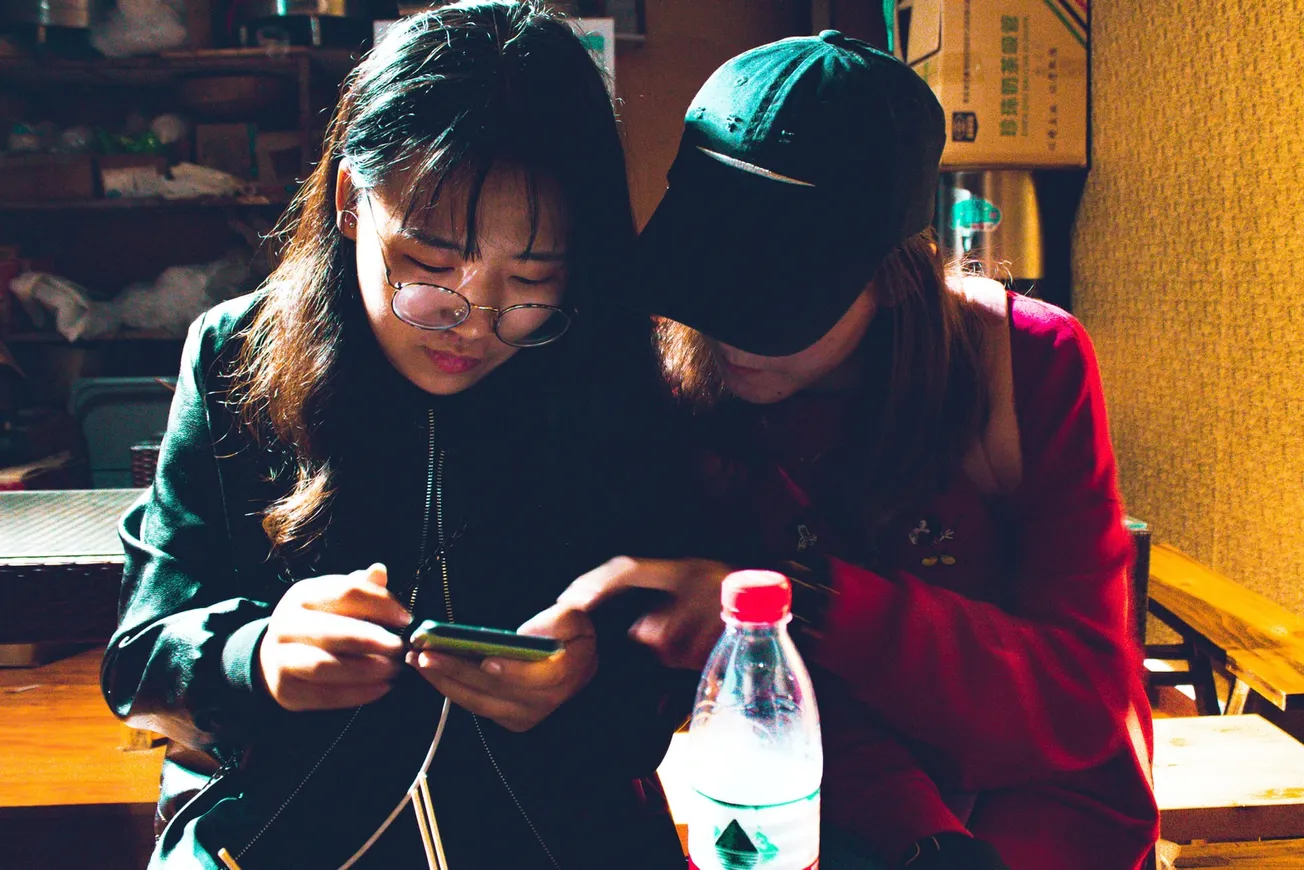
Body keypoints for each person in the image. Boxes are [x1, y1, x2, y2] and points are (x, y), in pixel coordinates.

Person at [100, 4, 690, 868]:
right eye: (429, 267)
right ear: (349, 203)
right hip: (277, 829)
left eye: (532, 281)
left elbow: (663, 687)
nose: (473, 324)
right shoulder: (235, 357)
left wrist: (589, 685)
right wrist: (251, 658)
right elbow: (140, 666)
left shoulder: (611, 365)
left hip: (550, 831)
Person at [559, 31, 1161, 870]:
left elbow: (1079, 697)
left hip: (1040, 826)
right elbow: (778, 711)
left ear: (892, 269)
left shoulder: (1026, 364)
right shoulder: (680, 385)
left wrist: (802, 602)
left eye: (773, 298)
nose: (727, 330)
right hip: (822, 816)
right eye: (705, 274)